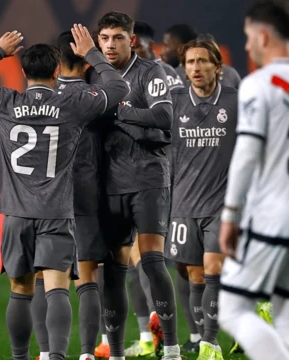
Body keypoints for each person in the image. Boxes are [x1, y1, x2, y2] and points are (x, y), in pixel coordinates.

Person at [0, 26, 129, 360]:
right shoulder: (73, 104)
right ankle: (56, 357)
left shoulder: (3, 101)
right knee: (57, 286)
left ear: (23, 71)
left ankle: (21, 357)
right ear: (57, 71)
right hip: (57, 213)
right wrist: (91, 53)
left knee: (20, 291)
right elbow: (118, 87)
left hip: (15, 214)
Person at [87, 11, 181, 360]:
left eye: (117, 38)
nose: (110, 45)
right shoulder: (94, 75)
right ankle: (115, 352)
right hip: (109, 183)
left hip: (148, 179)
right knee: (113, 269)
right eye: (105, 39)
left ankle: (170, 346)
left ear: (131, 40)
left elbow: (163, 116)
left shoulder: (150, 72)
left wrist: (119, 111)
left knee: (154, 261)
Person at [28, 29, 112, 360]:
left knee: (43, 277)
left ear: (55, 59)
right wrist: (96, 56)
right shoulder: (94, 97)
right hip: (86, 193)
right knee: (87, 276)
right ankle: (88, 354)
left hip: (45, 198)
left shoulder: (40, 95)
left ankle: (48, 353)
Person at [218, 2, 289, 360]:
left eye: (248, 38)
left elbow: (246, 152)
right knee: (284, 309)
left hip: (272, 216)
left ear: (262, 36)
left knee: (231, 307)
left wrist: (230, 215)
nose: (246, 47)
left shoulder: (259, 85)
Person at [166, 35, 239, 360]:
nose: (195, 68)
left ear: (217, 67)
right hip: (182, 204)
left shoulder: (236, 101)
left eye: (202, 61)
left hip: (221, 204)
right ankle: (201, 334)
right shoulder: (174, 100)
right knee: (193, 274)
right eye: (190, 63)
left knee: (213, 269)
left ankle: (210, 343)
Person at [162, 24, 241, 89]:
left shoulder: (173, 76)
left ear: (181, 49)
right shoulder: (230, 73)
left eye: (166, 46)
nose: (162, 53)